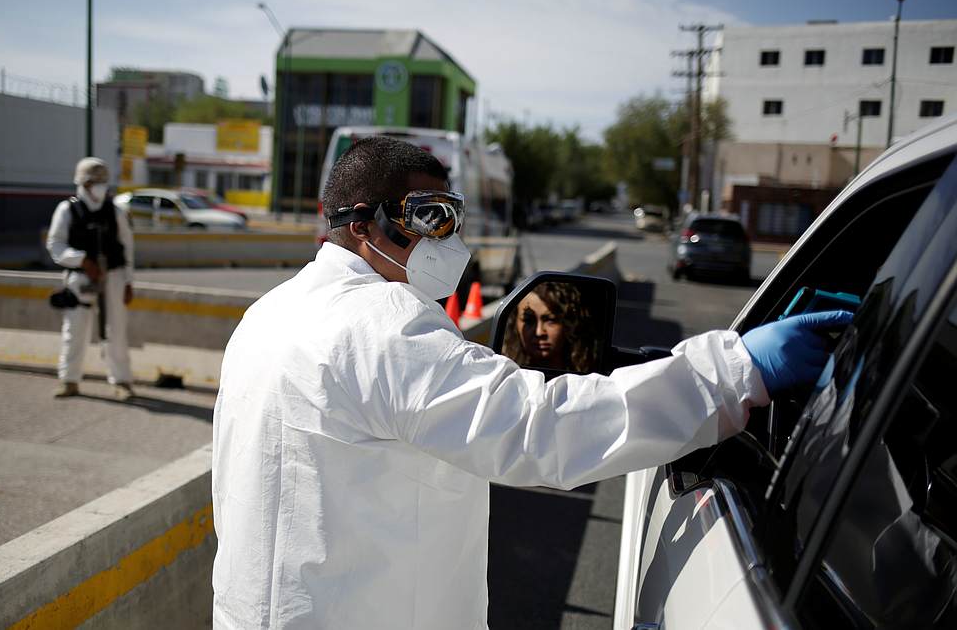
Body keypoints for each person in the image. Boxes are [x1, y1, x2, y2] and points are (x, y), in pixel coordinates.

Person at [211, 136, 850, 629]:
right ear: (359, 223)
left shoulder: (267, 314)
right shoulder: (383, 322)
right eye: (426, 216)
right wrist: (734, 372)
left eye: (451, 217)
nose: (446, 239)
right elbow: (539, 430)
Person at [46, 157, 135, 400]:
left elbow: (127, 247)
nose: (100, 187)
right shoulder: (67, 210)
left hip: (113, 278)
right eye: (95, 182)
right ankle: (69, 380)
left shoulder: (114, 211)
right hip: (80, 280)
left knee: (116, 330)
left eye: (103, 182)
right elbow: (55, 245)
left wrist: (128, 281)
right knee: (74, 330)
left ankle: (121, 381)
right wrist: (82, 260)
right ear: (84, 184)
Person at [503, 282, 598, 373]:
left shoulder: (591, 376)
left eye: (550, 320)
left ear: (569, 323)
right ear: (515, 323)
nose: (539, 332)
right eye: (529, 320)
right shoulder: (504, 372)